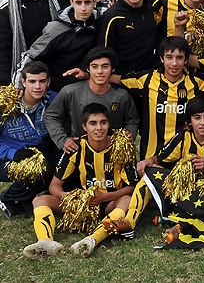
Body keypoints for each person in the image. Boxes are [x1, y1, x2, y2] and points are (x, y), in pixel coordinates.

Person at [102, 95, 204, 240]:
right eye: (197, 118)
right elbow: (160, 157)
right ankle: (130, 221)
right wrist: (147, 161)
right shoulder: (183, 137)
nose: (203, 122)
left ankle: (181, 225)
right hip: (183, 193)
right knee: (152, 171)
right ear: (189, 121)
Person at [23, 103, 137, 260]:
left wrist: (104, 197)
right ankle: (46, 241)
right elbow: (54, 186)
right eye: (93, 123)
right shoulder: (76, 147)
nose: (99, 128)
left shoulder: (122, 147)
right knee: (40, 200)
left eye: (103, 122)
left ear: (109, 124)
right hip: (85, 205)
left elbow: (132, 187)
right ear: (84, 126)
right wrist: (70, 199)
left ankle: (92, 239)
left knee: (127, 200)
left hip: (110, 204)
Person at [114, 37, 204, 159]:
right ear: (161, 59)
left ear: (186, 60)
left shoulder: (196, 81)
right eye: (169, 57)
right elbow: (117, 79)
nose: (174, 63)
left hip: (184, 158)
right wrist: (90, 75)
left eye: (179, 58)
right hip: (151, 156)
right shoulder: (148, 79)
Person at [44, 47, 139, 153]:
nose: (100, 71)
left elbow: (132, 120)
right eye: (95, 66)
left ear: (112, 69)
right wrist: (62, 140)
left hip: (113, 153)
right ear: (88, 69)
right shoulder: (70, 92)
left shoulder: (122, 96)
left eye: (105, 66)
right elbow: (51, 116)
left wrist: (130, 132)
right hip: (80, 153)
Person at [13, 0, 98, 92]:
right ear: (71, 2)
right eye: (78, 3)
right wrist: (18, 84)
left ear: (94, 2)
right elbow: (31, 56)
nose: (83, 8)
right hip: (59, 89)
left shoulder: (101, 22)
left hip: (90, 85)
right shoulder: (56, 29)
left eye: (87, 2)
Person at [0, 0, 70, 85]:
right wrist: (3, 84)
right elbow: (3, 50)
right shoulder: (6, 9)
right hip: (31, 75)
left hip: (63, 68)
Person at [0, 62, 57, 219]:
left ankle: (27, 197)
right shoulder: (6, 104)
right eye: (32, 81)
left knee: (60, 167)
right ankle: (8, 199)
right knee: (35, 170)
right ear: (23, 82)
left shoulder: (55, 100)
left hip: (39, 152)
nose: (37, 86)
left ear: (48, 82)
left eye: (42, 81)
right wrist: (12, 153)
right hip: (7, 157)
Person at [97, 0, 158, 74]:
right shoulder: (111, 17)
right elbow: (102, 54)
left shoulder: (155, 8)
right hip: (122, 81)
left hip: (150, 79)